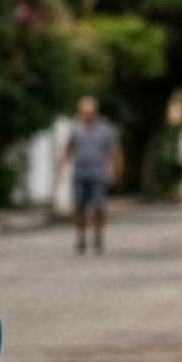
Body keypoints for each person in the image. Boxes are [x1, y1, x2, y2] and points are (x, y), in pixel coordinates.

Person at [64, 97, 120, 254]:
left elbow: (114, 151)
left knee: (98, 206)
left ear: (96, 112)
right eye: (84, 113)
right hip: (80, 172)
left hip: (98, 172)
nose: (88, 115)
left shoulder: (106, 130)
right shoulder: (75, 129)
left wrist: (115, 170)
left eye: (91, 112)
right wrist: (62, 167)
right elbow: (68, 148)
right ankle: (81, 237)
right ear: (80, 113)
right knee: (79, 208)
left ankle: (98, 237)